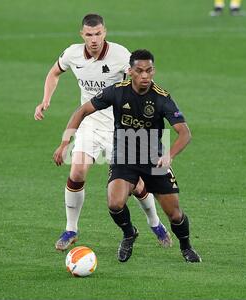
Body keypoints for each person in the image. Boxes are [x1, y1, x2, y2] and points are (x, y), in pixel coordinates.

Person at [34, 14, 171, 251]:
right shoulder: (72, 54)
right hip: (90, 123)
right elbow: (54, 73)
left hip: (121, 128)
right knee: (76, 172)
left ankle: (155, 223)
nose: (94, 39)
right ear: (82, 35)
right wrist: (45, 100)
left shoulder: (120, 55)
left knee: (137, 185)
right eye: (89, 35)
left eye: (98, 34)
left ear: (104, 32)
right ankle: (71, 229)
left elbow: (140, 82)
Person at [53, 49, 202, 263]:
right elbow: (82, 111)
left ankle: (186, 247)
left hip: (154, 158)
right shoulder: (117, 91)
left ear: (153, 71)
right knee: (115, 203)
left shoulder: (162, 98)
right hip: (125, 156)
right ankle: (129, 233)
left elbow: (185, 133)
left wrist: (169, 155)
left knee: (175, 214)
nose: (145, 76)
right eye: (139, 71)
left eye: (149, 71)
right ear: (130, 71)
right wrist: (65, 142)